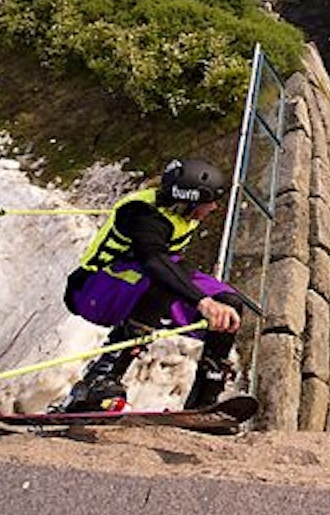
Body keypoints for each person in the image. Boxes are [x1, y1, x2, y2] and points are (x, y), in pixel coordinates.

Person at [59, 158, 244, 412]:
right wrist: (202, 301)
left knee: (229, 303)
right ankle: (100, 378)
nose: (213, 207)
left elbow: (170, 263)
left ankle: (205, 400)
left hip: (137, 282)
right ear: (188, 199)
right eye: (208, 201)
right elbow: (154, 260)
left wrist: (214, 300)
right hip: (94, 289)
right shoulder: (142, 214)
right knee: (163, 281)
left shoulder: (182, 212)